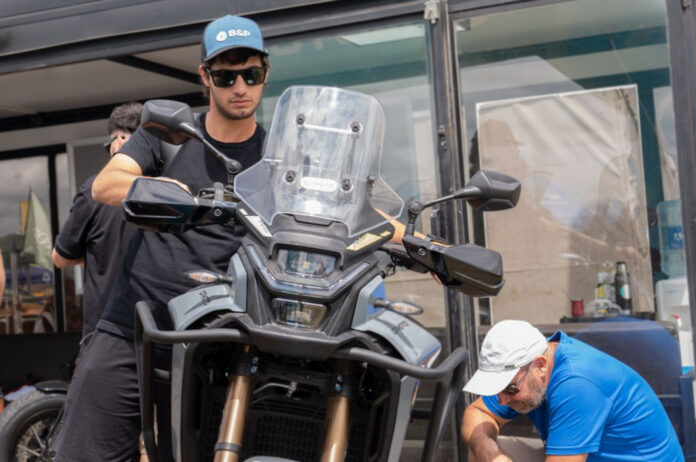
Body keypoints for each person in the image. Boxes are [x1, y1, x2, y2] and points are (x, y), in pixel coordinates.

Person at [51, 14, 269, 462]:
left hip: (220, 340)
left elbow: (348, 207)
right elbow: (107, 184)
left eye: (251, 74)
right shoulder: (169, 135)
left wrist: (411, 238)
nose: (240, 87)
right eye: (226, 76)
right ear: (205, 76)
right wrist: (165, 190)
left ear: (265, 73)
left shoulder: (276, 157)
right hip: (134, 325)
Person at [461, 319, 683, 462]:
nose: (501, 400)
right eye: (496, 388)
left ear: (540, 365)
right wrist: (490, 453)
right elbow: (477, 412)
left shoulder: (578, 383)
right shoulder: (535, 362)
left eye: (510, 388)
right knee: (483, 448)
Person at [52, 102, 142, 337]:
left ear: (118, 142)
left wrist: (96, 255)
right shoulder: (169, 188)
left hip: (107, 331)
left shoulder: (92, 192)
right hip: (163, 330)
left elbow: (59, 258)